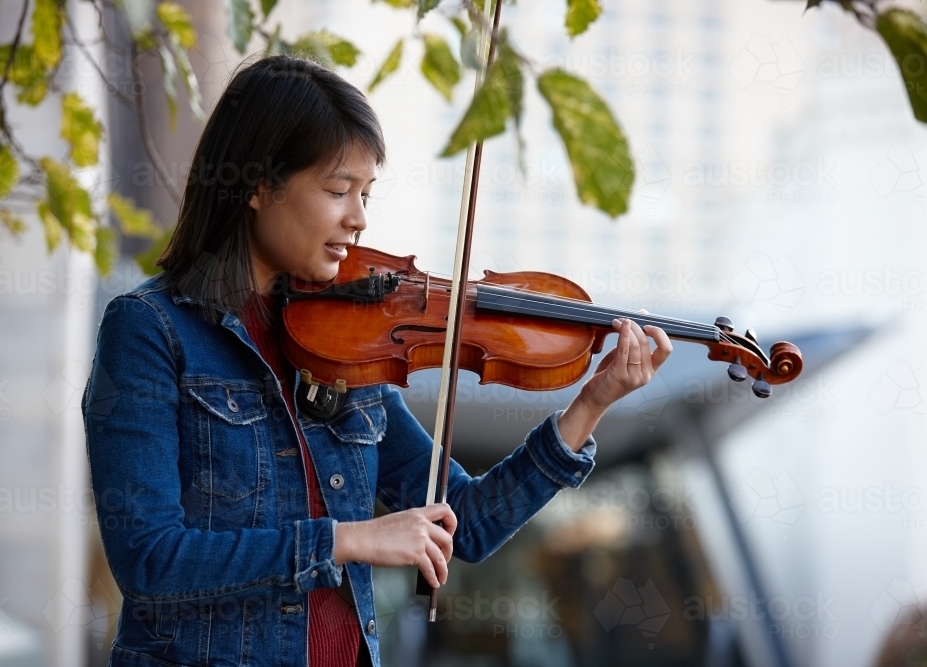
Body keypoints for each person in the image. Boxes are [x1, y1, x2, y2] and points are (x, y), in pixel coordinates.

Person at [81, 54, 672, 667]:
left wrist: (590, 404)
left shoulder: (343, 338)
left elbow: (462, 525)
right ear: (257, 185)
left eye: (365, 193)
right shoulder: (150, 329)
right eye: (338, 191)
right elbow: (150, 561)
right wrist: (347, 541)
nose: (359, 220)